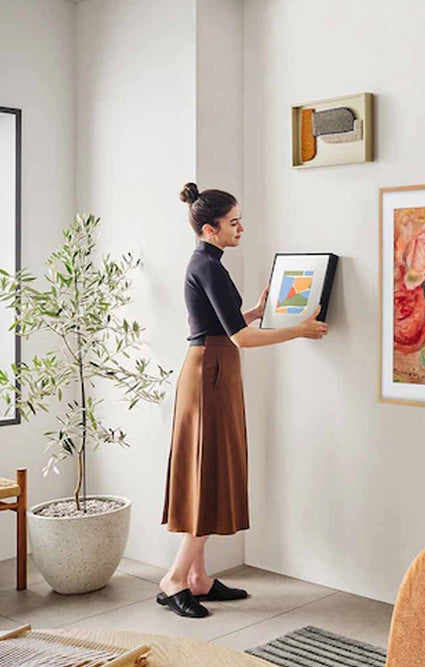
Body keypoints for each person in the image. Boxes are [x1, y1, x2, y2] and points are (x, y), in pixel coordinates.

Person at [157, 183, 328, 618]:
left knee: (209, 473)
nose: (241, 228)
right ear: (210, 228)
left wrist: (254, 309)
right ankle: (176, 579)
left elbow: (228, 322)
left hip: (213, 369)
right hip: (210, 371)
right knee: (207, 473)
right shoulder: (208, 267)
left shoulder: (209, 263)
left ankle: (197, 578)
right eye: (233, 222)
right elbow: (240, 338)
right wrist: (299, 329)